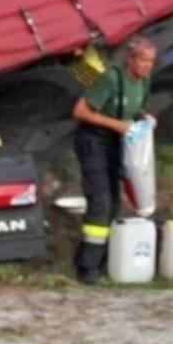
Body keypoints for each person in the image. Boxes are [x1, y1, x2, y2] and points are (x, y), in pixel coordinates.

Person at [69, 36, 157, 284]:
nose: (147, 66)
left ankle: (93, 261)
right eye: (143, 61)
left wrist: (146, 118)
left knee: (113, 203)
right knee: (100, 201)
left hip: (117, 142)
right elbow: (80, 111)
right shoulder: (110, 79)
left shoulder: (143, 82)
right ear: (130, 59)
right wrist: (117, 125)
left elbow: (136, 108)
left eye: (151, 62)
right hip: (94, 141)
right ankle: (88, 271)